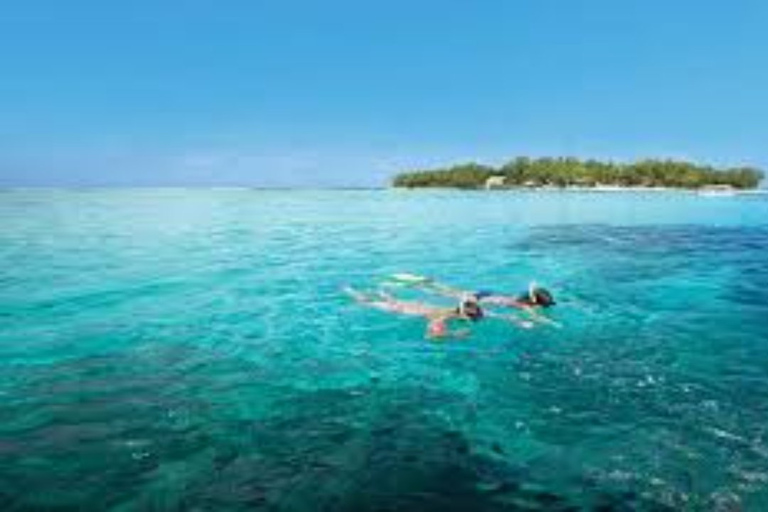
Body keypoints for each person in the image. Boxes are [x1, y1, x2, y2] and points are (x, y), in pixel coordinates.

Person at [408, 279, 559, 328]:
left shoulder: (522, 298)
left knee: (453, 292)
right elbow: (536, 317)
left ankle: (430, 283)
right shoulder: (525, 306)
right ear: (536, 303)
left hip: (487, 295)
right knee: (452, 294)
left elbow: (533, 290)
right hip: (480, 299)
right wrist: (552, 323)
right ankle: (426, 286)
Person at [344, 287, 483, 339]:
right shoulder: (445, 316)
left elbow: (466, 301)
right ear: (465, 316)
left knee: (382, 300)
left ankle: (382, 293)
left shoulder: (451, 311)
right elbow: (429, 335)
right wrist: (454, 335)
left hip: (410, 305)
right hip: (402, 309)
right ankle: (349, 291)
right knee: (366, 302)